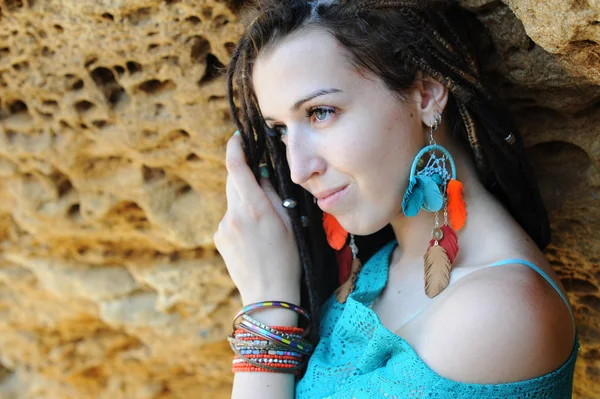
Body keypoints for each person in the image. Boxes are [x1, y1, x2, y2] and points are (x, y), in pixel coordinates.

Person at [212, 0, 580, 397]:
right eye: (280, 130)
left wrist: (268, 305)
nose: (298, 169)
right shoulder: (378, 265)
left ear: (425, 94)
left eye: (320, 112)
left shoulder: (496, 313)